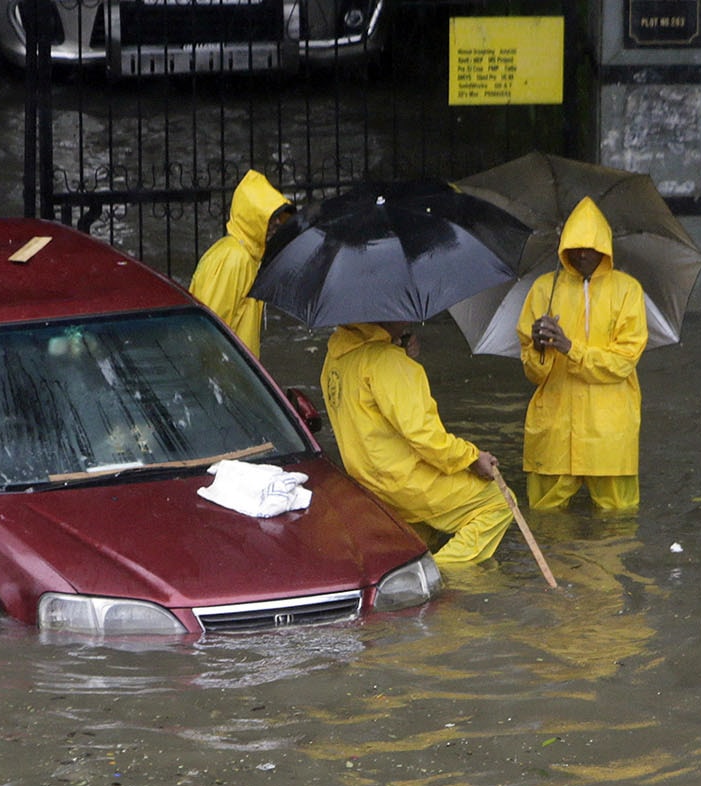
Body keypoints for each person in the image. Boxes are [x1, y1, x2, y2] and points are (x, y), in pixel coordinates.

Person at [320, 321, 514, 566]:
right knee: (499, 502)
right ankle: (442, 575)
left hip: (369, 482)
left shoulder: (335, 358)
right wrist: (472, 458)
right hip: (408, 482)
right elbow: (426, 437)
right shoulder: (388, 362)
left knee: (418, 541)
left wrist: (396, 347)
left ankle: (412, 564)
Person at [517, 196, 648, 512]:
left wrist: (569, 348)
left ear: (605, 249)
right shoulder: (544, 289)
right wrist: (536, 347)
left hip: (609, 432)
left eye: (591, 247)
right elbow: (533, 373)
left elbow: (623, 362)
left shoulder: (628, 291)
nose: (582, 254)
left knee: (619, 520)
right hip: (555, 428)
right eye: (575, 246)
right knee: (545, 518)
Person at [188, 169, 295, 357]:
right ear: (254, 218)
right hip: (226, 374)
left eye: (278, 217)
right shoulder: (234, 259)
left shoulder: (245, 255)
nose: (277, 223)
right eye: (270, 217)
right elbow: (208, 330)